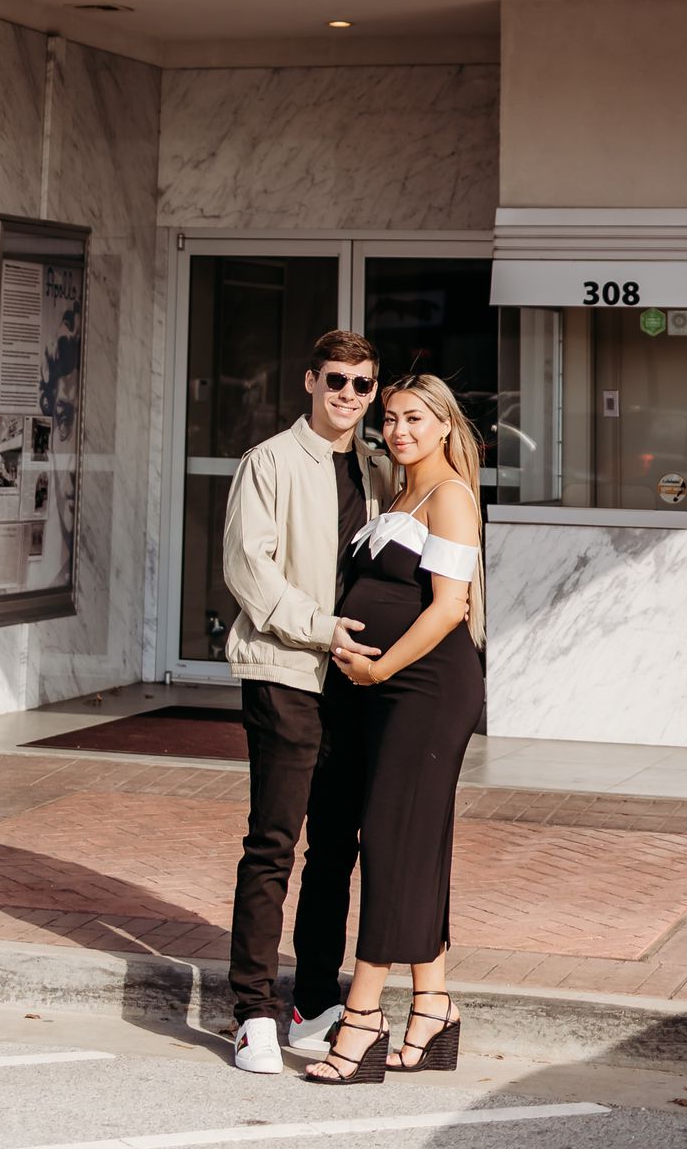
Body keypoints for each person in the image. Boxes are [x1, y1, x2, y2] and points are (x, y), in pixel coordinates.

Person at [303, 373, 486, 1089]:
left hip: (428, 690)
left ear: (444, 425)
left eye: (414, 418)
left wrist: (380, 672)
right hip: (382, 695)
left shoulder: (451, 498)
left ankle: (362, 1019)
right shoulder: (397, 495)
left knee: (388, 840)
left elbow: (447, 608)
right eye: (391, 419)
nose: (398, 431)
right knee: (416, 841)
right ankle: (433, 1008)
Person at [220, 328, 388, 1078]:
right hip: (287, 674)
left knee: (336, 853)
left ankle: (313, 1001)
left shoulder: (383, 468)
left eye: (361, 384)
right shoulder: (271, 463)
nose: (348, 395)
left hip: (355, 686)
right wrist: (324, 632)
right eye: (336, 381)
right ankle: (251, 1009)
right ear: (309, 382)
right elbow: (249, 574)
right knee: (273, 846)